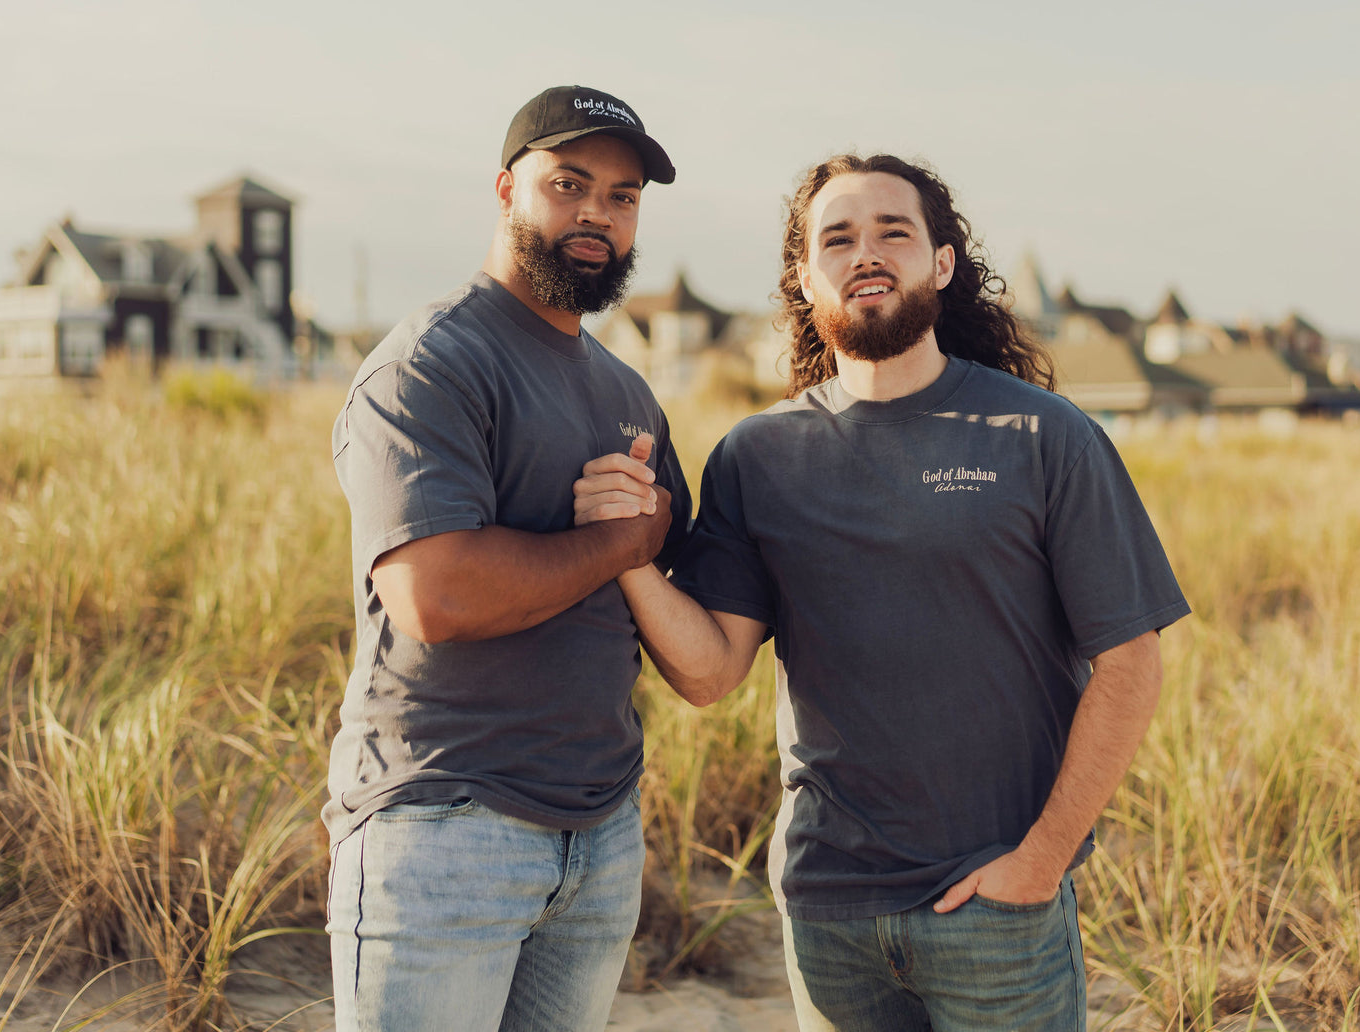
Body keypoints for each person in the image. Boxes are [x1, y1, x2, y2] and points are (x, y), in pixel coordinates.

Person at [573, 153, 1191, 1031]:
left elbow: (1129, 660)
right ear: (804, 276)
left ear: (940, 263)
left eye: (892, 232)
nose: (866, 252)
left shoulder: (1042, 435)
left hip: (996, 910)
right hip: (828, 913)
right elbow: (710, 675)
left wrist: (1040, 862)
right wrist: (625, 550)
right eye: (838, 238)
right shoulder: (759, 457)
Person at [324, 85, 692, 1032]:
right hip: (446, 824)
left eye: (620, 197)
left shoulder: (626, 390)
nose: (595, 216)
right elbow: (434, 596)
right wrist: (614, 538)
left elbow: (670, 569)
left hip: (600, 833)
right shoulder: (433, 363)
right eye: (567, 184)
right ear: (504, 189)